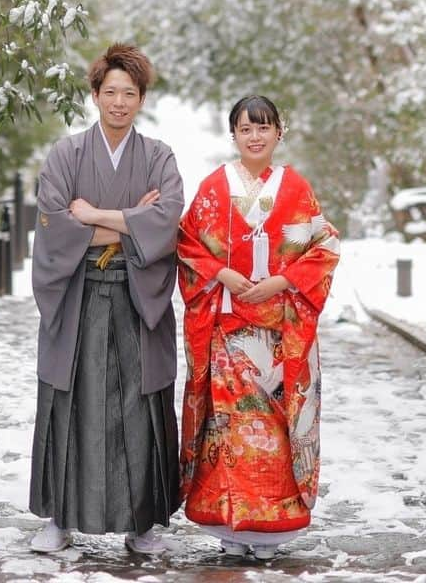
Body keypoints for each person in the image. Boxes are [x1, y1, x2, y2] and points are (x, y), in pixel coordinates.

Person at [28, 43, 184, 555]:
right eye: (110, 91)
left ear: (141, 100)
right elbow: (54, 230)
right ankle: (59, 518)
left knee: (137, 407)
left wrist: (92, 215)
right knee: (71, 402)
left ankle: (141, 524)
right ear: (95, 95)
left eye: (130, 93)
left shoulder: (158, 155)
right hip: (78, 299)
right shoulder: (66, 154)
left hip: (138, 304)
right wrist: (129, 222)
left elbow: (167, 225)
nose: (120, 102)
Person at [177, 95, 340, 561]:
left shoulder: (295, 188)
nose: (254, 136)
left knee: (274, 429)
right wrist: (224, 274)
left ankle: (271, 528)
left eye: (263, 128)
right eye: (245, 128)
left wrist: (282, 280)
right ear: (233, 134)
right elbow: (188, 243)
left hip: (278, 336)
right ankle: (230, 524)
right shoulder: (214, 187)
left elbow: (324, 244)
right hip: (228, 331)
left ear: (278, 133)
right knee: (229, 431)